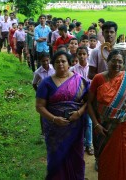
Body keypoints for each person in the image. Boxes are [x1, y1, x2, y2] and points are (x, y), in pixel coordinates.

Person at [36, 51, 89, 179]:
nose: (60, 64)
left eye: (63, 61)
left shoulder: (80, 81)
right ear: (53, 64)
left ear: (69, 63)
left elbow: (88, 101)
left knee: (75, 156)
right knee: (56, 158)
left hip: (75, 128)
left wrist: (79, 113)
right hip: (54, 130)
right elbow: (39, 107)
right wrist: (54, 119)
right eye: (57, 61)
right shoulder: (46, 83)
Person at [87, 49, 126, 179]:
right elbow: (89, 104)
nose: (117, 64)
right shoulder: (98, 78)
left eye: (120, 61)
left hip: (122, 126)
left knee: (122, 156)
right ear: (107, 61)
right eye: (114, 61)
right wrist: (96, 124)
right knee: (105, 159)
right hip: (103, 127)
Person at [70, 46, 94, 156]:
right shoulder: (73, 69)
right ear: (77, 55)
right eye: (80, 54)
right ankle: (81, 144)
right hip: (78, 100)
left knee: (89, 122)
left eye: (84, 54)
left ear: (88, 55)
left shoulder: (92, 68)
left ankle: (89, 144)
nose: (82, 56)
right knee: (79, 122)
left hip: (90, 98)